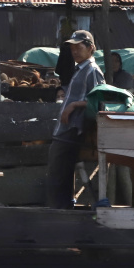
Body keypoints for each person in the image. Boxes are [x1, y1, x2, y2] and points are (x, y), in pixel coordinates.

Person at [45, 30, 105, 209]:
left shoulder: (92, 70)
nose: (75, 52)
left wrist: (73, 106)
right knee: (60, 172)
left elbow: (98, 101)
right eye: (72, 48)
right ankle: (62, 208)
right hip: (65, 129)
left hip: (72, 129)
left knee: (57, 173)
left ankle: (58, 211)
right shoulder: (80, 69)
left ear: (91, 48)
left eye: (79, 47)